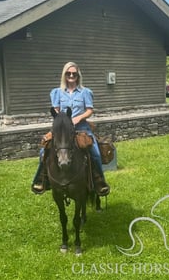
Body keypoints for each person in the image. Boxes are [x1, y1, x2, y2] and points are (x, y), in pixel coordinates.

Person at [31, 61, 111, 196]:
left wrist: (77, 118)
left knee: (95, 152)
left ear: (78, 75)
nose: (71, 75)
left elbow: (89, 110)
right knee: (43, 152)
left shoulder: (85, 92)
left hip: (82, 128)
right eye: (69, 73)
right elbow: (55, 110)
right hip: (62, 130)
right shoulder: (57, 92)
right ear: (64, 75)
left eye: (74, 73)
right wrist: (62, 120)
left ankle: (99, 182)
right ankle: (41, 180)